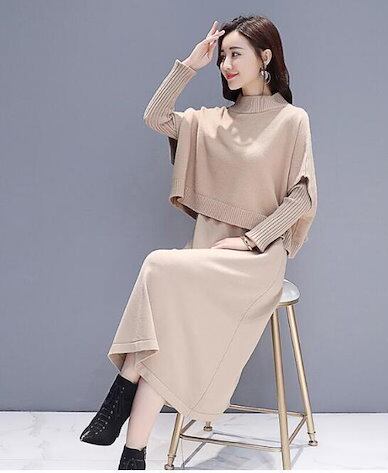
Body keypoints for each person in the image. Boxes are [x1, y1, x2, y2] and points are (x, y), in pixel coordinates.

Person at [79, 15, 317, 470]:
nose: (226, 64)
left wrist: (251, 241)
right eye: (223, 56)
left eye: (236, 54)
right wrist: (190, 64)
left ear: (265, 57)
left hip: (255, 260)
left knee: (156, 265)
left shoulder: (291, 120)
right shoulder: (210, 122)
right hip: (208, 254)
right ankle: (133, 454)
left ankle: (121, 391)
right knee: (162, 337)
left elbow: (302, 196)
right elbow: (155, 117)